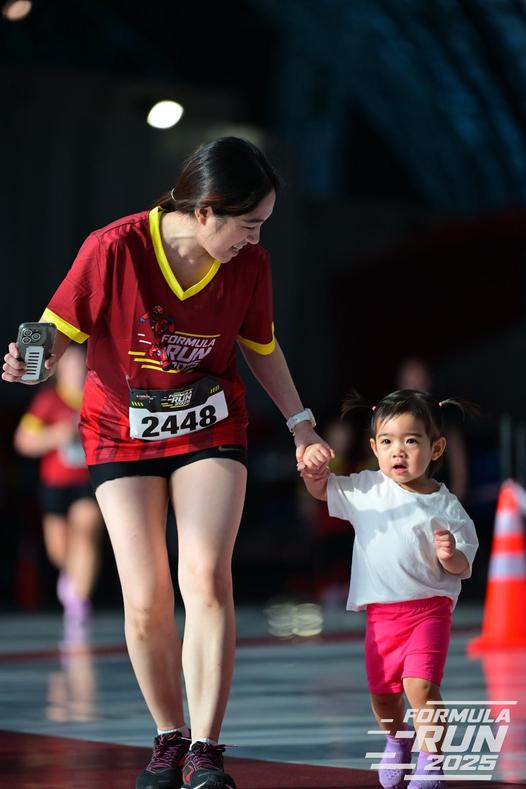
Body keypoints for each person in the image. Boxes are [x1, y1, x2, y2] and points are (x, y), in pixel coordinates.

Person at [3, 136, 333, 789]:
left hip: (209, 422)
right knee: (146, 596)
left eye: (263, 224)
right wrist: (27, 363)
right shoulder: (114, 247)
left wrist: (302, 424)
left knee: (205, 575)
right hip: (119, 430)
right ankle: (168, 736)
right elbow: (55, 328)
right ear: (205, 210)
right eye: (249, 223)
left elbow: (261, 346)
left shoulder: (250, 265)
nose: (255, 238)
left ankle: (206, 750)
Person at [299, 389, 478, 789]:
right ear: (374, 448)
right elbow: (323, 491)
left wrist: (449, 555)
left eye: (411, 441)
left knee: (420, 686)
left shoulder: (447, 507)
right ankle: (398, 740)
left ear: (436, 448)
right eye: (387, 441)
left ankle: (432, 762)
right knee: (383, 696)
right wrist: (314, 473)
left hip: (430, 611)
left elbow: (464, 564)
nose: (398, 451)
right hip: (382, 618)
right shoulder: (366, 489)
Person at [13, 344, 103, 643]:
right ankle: (72, 578)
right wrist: (58, 435)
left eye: (81, 365)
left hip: (89, 482)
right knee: (59, 550)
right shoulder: (48, 400)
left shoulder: (99, 398)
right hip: (55, 484)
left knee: (86, 531)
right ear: (59, 370)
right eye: (71, 365)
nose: (77, 370)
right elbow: (23, 442)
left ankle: (79, 604)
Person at [395, 357, 469, 501]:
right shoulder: (390, 424)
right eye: (409, 383)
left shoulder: (444, 422)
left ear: (428, 383)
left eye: (419, 382)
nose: (414, 389)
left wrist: (453, 505)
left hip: (438, 502)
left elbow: (459, 469)